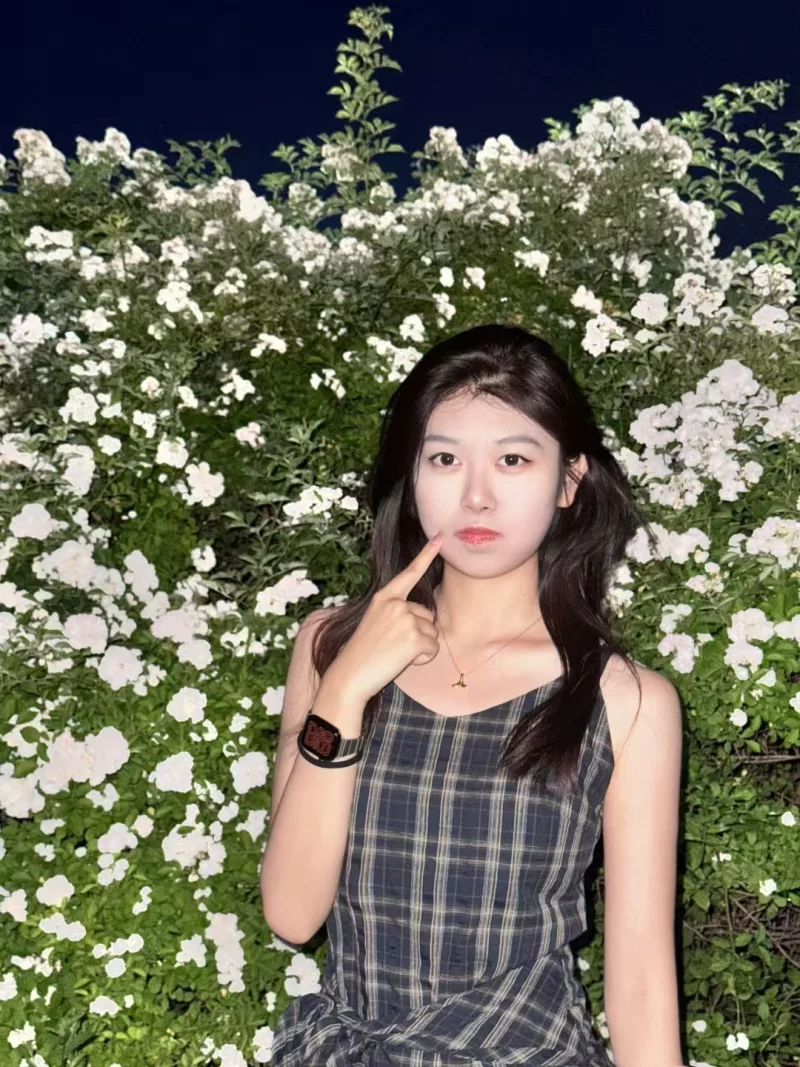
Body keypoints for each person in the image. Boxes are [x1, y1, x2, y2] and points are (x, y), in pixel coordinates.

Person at [261, 324, 685, 1066]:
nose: (477, 495)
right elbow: (293, 914)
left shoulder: (625, 700)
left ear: (569, 481)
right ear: (413, 475)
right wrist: (346, 690)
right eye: (446, 458)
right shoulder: (329, 647)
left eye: (513, 459)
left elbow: (642, 979)